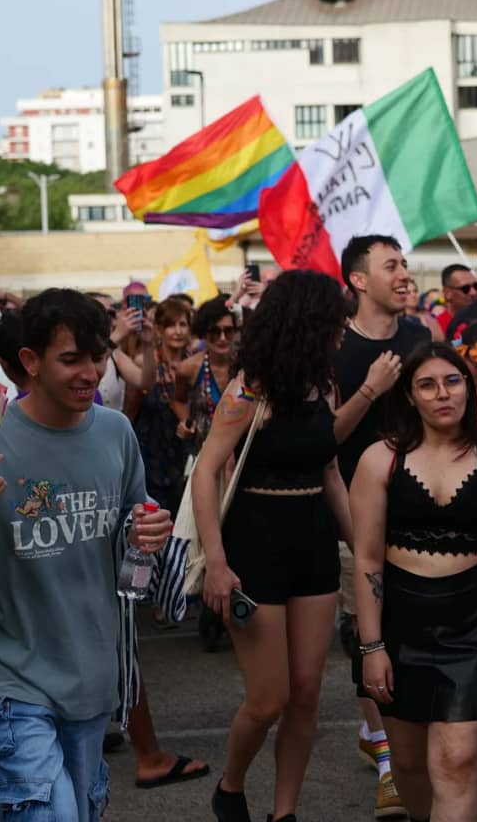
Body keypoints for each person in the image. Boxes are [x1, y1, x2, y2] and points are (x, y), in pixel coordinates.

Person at [0, 289, 172, 822]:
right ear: (30, 362)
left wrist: (147, 535)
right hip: (5, 675)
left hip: (89, 674)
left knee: (76, 812)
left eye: (98, 356)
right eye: (71, 358)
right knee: (46, 813)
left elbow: (132, 554)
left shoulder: (115, 432)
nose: (89, 372)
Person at [190, 271, 354, 822]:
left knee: (307, 691)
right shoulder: (249, 387)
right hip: (254, 541)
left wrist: (364, 552)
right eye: (333, 320)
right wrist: (216, 562)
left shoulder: (324, 385)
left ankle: (284, 813)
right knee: (268, 699)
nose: (342, 330)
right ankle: (230, 787)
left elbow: (330, 471)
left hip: (312, 540)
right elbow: (207, 468)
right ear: (307, 322)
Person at [350, 343, 477, 822]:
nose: (442, 393)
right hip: (399, 626)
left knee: (455, 762)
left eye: (452, 381)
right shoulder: (379, 460)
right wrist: (371, 646)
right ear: (409, 395)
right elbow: (367, 559)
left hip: (473, 628)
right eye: (427, 384)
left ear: (468, 387)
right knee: (408, 765)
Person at [332, 235, 432, 819]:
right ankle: (391, 761)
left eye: (404, 264)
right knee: (367, 634)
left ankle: (392, 741)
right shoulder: (335, 347)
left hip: (422, 512)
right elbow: (325, 440)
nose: (403, 274)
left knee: (413, 628)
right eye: (390, 266)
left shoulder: (421, 340)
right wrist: (372, 388)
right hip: (355, 517)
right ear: (358, 280)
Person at [124, 297, 194, 510]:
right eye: (171, 325)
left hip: (185, 449)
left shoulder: (196, 364)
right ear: (159, 329)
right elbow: (130, 410)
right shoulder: (144, 362)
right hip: (151, 453)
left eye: (183, 324)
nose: (178, 331)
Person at [178, 297, 240, 449]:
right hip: (204, 449)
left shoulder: (246, 366)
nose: (222, 338)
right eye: (214, 332)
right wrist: (185, 420)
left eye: (228, 331)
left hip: (241, 451)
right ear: (203, 333)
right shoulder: (189, 368)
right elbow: (178, 399)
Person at [439, 263, 477, 334]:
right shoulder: (437, 326)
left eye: (476, 286)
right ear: (447, 293)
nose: (473, 293)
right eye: (465, 288)